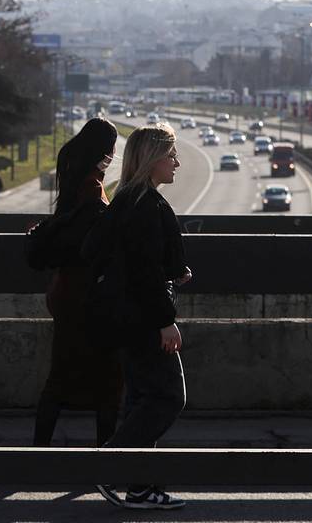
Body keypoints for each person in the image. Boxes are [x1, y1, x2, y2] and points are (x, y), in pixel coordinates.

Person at [84, 121, 193, 512]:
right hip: (145, 320)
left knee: (142, 400)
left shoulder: (127, 200)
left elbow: (135, 260)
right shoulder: (145, 206)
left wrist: (174, 271)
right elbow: (144, 272)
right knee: (168, 396)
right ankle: (111, 465)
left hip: (126, 319)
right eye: (171, 155)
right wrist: (166, 320)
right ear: (153, 159)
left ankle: (140, 487)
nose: (176, 163)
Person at [32, 118, 122, 447]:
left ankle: (39, 450)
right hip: (87, 297)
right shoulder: (93, 191)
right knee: (109, 381)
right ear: (105, 152)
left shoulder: (73, 180)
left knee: (61, 375)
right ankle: (105, 457)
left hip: (65, 292)